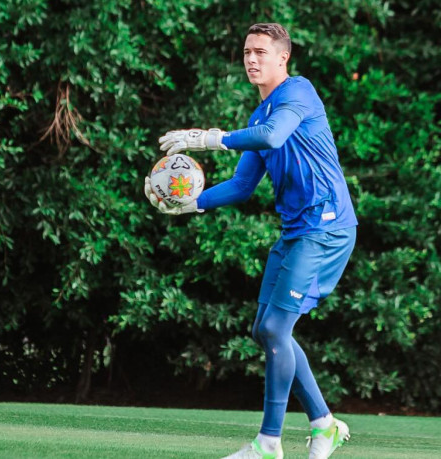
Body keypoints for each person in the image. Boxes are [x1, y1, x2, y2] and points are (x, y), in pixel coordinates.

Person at [144, 23, 357, 459]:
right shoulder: (257, 118)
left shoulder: (299, 93)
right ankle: (324, 424)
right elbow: (243, 185)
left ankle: (268, 444)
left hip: (327, 227)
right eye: (246, 52)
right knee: (264, 329)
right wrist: (190, 204)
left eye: (261, 51)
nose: (252, 59)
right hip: (297, 231)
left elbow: (274, 136)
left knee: (278, 327)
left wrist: (209, 139)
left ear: (283, 58)